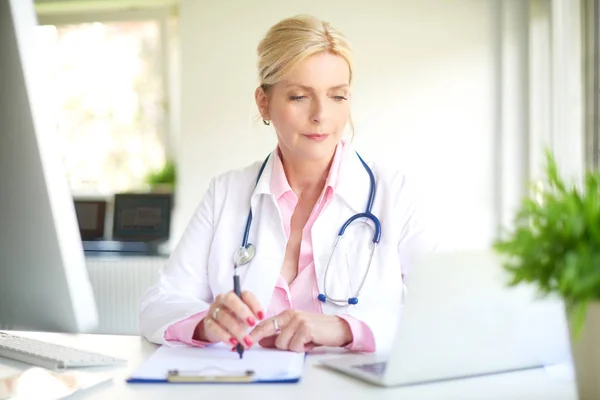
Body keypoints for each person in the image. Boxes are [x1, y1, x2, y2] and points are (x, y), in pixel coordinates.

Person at [139, 14, 436, 354]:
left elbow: (449, 308)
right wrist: (207, 322)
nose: (320, 114)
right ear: (264, 102)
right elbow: (158, 304)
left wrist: (346, 329)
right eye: (299, 96)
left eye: (338, 96)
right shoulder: (227, 192)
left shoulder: (393, 194)